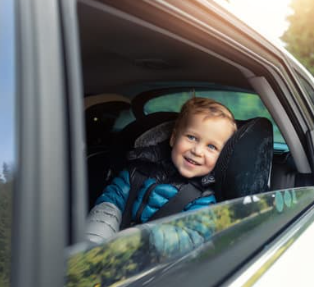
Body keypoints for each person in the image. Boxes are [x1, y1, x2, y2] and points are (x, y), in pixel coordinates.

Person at [85, 97, 237, 243]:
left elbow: (192, 236)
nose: (197, 151)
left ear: (222, 156)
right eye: (191, 137)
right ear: (173, 138)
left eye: (211, 147)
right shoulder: (136, 172)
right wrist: (96, 240)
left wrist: (143, 239)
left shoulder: (205, 199)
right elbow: (110, 203)